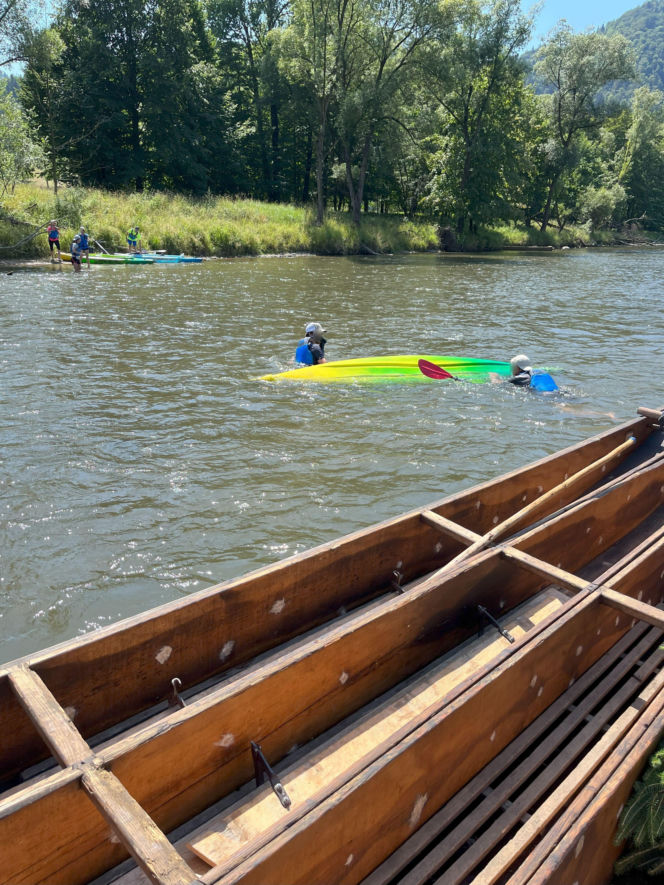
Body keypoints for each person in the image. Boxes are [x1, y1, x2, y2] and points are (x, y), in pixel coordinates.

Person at [491, 354, 558, 391]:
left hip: (544, 396)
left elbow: (498, 385)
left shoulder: (520, 378)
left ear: (517, 368)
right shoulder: (538, 372)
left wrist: (494, 376)